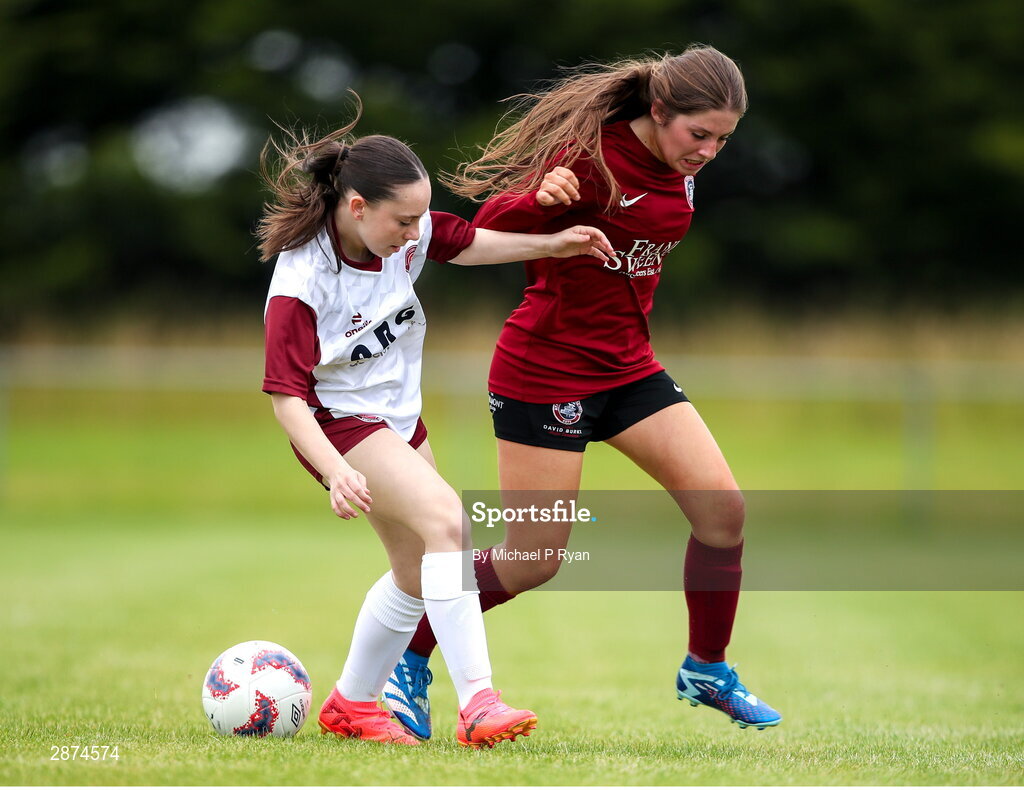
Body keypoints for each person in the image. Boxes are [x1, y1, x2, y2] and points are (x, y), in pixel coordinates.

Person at [384, 44, 782, 738]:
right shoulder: (588, 158)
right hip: (546, 371)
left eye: (724, 138)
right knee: (532, 560)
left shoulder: (683, 164)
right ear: (660, 112)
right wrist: (538, 200)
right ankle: (406, 663)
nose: (711, 151)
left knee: (724, 514)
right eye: (700, 134)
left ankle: (706, 668)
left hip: (629, 369)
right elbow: (488, 230)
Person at [257, 100, 615, 747]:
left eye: (421, 215)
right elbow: (286, 398)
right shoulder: (303, 281)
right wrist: (337, 470)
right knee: (449, 521)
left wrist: (553, 243)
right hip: (336, 427)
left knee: (415, 574)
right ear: (357, 207)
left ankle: (351, 703)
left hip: (398, 422)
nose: (415, 231)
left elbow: (468, 241)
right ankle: (479, 701)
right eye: (404, 219)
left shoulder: (403, 233)